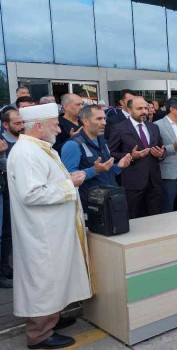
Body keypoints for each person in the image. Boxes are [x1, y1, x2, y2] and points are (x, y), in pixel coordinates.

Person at [9, 103, 90, 349]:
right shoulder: (26, 153)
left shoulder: (40, 148)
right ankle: (40, 334)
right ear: (39, 126)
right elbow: (31, 194)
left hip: (52, 228)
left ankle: (50, 319)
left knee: (53, 278)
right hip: (41, 232)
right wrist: (70, 184)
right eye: (55, 123)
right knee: (44, 280)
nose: (60, 127)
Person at [61, 105, 132, 211]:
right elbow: (69, 177)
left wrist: (119, 166)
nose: (104, 122)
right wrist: (94, 170)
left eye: (104, 118)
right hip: (89, 206)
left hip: (109, 201)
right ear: (85, 121)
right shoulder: (73, 145)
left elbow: (106, 171)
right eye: (99, 119)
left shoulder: (102, 140)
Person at [108, 96, 165, 219]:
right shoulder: (119, 128)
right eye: (139, 108)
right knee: (133, 218)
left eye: (146, 108)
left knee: (155, 218)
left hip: (154, 182)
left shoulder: (153, 127)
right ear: (129, 110)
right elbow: (111, 153)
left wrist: (161, 155)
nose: (144, 111)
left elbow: (161, 148)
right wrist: (131, 156)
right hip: (133, 183)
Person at [0, 108, 23, 288]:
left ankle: (5, 268)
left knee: (8, 234)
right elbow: (10, 169)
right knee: (3, 233)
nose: (21, 126)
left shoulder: (25, 140)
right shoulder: (2, 143)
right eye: (17, 123)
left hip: (19, 194)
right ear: (5, 125)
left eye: (22, 122)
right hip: (5, 192)